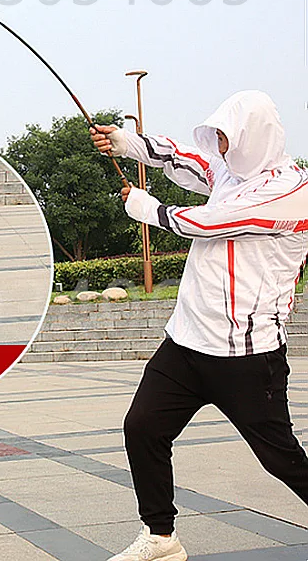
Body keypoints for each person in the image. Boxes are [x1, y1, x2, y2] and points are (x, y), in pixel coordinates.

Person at [90, 90, 308, 561]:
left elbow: (210, 222)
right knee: (143, 428)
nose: (222, 148)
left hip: (247, 354)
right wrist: (127, 142)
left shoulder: (292, 192)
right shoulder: (228, 172)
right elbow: (182, 157)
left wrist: (148, 209)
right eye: (220, 138)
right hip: (186, 343)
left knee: (280, 458)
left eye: (229, 139)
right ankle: (161, 538)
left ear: (256, 136)